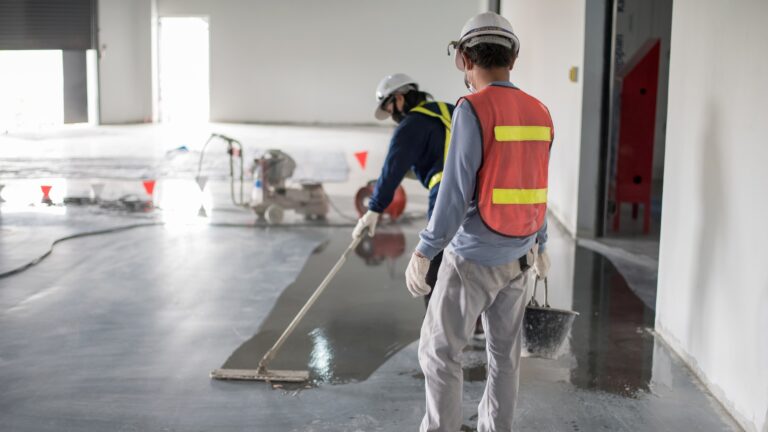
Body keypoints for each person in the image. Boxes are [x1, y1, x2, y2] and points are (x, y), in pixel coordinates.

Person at [404, 12, 553, 432]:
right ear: (514, 57)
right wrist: (541, 243)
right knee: (504, 358)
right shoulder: (540, 111)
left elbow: (453, 194)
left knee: (438, 352)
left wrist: (423, 251)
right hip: (520, 257)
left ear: (464, 58)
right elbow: (537, 184)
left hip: (471, 259)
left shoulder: (471, 109)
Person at [352, 73, 454, 307]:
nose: (392, 115)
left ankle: (436, 327)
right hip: (476, 195)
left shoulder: (412, 124)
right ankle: (476, 326)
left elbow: (393, 167)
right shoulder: (446, 111)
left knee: (433, 264)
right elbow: (441, 152)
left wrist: (374, 208)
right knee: (468, 262)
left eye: (390, 107)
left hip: (443, 195)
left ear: (400, 97)